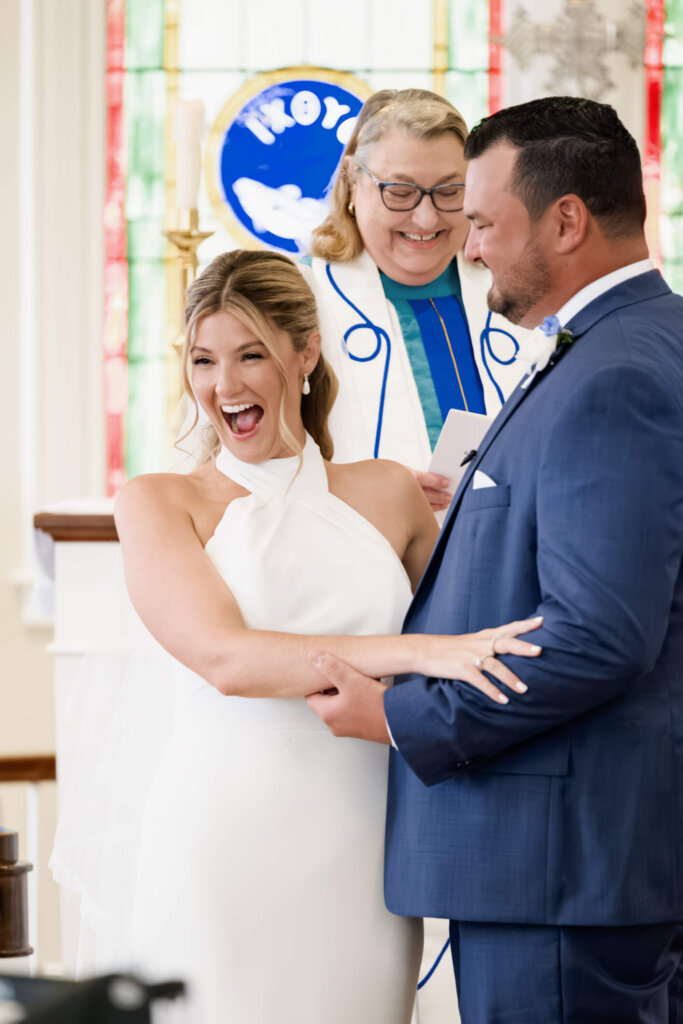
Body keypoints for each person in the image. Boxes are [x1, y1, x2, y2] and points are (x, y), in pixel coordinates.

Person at [307, 96, 683, 1023]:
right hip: (587, 853)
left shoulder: (616, 374)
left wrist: (402, 717)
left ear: (565, 220)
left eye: (478, 219)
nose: (464, 247)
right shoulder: (631, 343)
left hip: (558, 863)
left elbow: (597, 636)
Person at [113, 249, 541, 1024]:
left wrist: (477, 512)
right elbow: (227, 659)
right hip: (223, 832)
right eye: (202, 360)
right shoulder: (156, 502)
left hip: (363, 840)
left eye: (250, 355)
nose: (224, 385)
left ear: (304, 352)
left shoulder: (387, 493)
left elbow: (478, 631)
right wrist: (416, 652)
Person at [301, 88, 530, 511]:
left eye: (450, 192)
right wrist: (355, 485)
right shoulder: (295, 300)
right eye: (400, 192)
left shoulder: (523, 292)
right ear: (353, 180)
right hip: (358, 558)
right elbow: (232, 470)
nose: (425, 219)